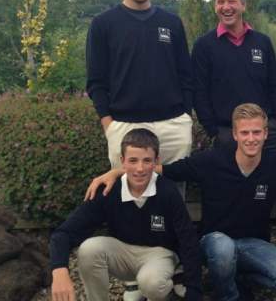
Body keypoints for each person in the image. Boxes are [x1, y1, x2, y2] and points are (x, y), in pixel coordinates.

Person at [86, 104, 276, 301]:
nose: (251, 138)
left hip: (253, 243)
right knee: (223, 249)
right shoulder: (211, 161)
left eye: (257, 132)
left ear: (266, 134)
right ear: (234, 134)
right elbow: (163, 170)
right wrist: (117, 172)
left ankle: (238, 278)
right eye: (244, 132)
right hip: (214, 242)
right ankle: (229, 296)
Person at [50, 129, 202, 301]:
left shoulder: (167, 191)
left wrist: (194, 292)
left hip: (159, 254)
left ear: (156, 161)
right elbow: (64, 233)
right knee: (89, 249)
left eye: (147, 161)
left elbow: (187, 239)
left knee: (151, 283)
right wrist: (59, 270)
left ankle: (166, 288)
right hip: (123, 253)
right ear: (122, 161)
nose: (140, 168)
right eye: (133, 160)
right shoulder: (108, 192)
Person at [86, 0, 193, 170]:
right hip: (124, 128)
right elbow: (96, 81)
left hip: (173, 126)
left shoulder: (172, 23)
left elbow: (186, 75)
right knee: (127, 199)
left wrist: (185, 117)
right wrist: (109, 125)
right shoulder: (103, 24)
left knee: (172, 198)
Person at [192, 0, 276, 153]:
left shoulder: (262, 42)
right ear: (215, 6)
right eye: (220, 2)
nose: (226, 7)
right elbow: (199, 92)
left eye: (232, 1)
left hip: (263, 133)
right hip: (225, 134)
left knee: (266, 180)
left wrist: (274, 123)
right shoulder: (203, 46)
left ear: (243, 5)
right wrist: (213, 131)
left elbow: (275, 85)